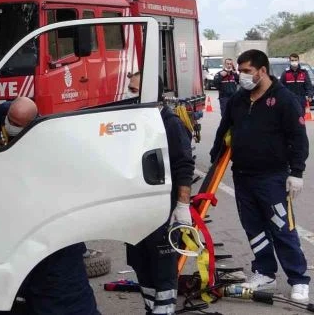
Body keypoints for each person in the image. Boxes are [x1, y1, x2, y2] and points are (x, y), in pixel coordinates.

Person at [0, 97, 100, 315]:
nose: (10, 125)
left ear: (32, 123)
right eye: (10, 120)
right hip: (12, 220)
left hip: (51, 232)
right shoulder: (3, 114)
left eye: (17, 123)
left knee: (64, 296)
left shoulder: (45, 139)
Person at [210, 49, 310, 302]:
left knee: (281, 227)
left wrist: (296, 172)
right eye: (240, 71)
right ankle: (264, 272)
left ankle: (298, 279)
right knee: (253, 227)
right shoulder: (239, 99)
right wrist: (214, 162)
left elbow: (298, 138)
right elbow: (224, 131)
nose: (241, 76)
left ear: (262, 71)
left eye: (247, 71)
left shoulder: (284, 99)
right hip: (243, 175)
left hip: (273, 177)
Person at [125, 72, 195, 315]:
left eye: (134, 90)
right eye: (130, 88)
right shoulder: (131, 121)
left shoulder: (170, 123)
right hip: (136, 209)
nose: (129, 94)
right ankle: (151, 308)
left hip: (161, 209)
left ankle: (164, 310)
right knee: (141, 265)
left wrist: (182, 205)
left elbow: (184, 165)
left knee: (163, 269)